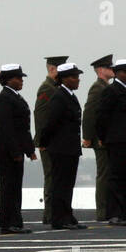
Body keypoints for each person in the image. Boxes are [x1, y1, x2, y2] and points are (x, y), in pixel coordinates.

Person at [37, 62, 86, 230]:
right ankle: (59, 218)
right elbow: (51, 122)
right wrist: (44, 142)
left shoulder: (69, 95)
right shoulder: (59, 97)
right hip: (61, 148)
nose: (78, 80)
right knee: (60, 184)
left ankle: (67, 214)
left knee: (68, 184)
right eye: (74, 77)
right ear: (64, 79)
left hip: (70, 148)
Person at [0, 63, 35, 234]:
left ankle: (16, 221)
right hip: (8, 150)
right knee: (8, 187)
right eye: (18, 78)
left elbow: (23, 128)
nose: (21, 81)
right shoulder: (5, 98)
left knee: (15, 187)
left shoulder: (15, 97)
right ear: (9, 80)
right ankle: (8, 222)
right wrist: (15, 151)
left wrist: (29, 149)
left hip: (16, 148)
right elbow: (7, 127)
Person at [95, 59, 126, 226]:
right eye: (125, 72)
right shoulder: (111, 91)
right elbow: (101, 116)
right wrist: (103, 137)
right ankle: (114, 213)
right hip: (116, 140)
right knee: (115, 177)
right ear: (116, 73)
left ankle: (124, 212)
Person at [35, 55, 67, 228]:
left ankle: (55, 212)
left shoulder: (56, 87)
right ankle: (49, 213)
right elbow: (40, 115)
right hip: (48, 141)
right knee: (51, 177)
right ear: (52, 69)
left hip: (56, 140)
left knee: (57, 176)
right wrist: (42, 140)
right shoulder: (46, 88)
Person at [83, 54, 114, 224]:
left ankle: (109, 208)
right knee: (104, 174)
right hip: (100, 139)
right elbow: (89, 113)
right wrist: (88, 137)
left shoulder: (105, 86)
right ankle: (102, 210)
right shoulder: (97, 88)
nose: (112, 70)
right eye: (109, 67)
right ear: (101, 70)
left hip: (107, 137)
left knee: (109, 174)